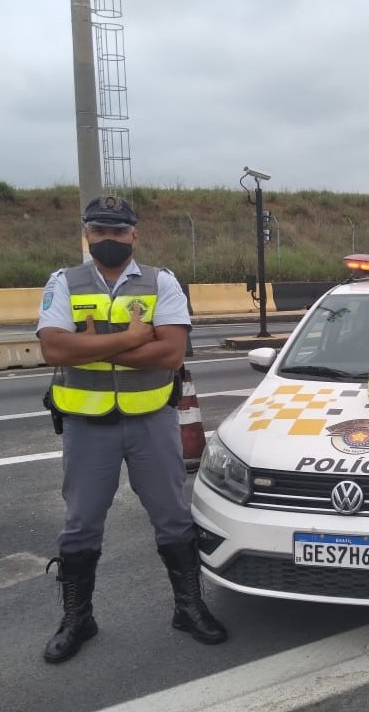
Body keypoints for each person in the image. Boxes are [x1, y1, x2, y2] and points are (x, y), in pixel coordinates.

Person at [37, 194, 227, 664]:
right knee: (80, 525)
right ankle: (78, 618)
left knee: (173, 518)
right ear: (87, 234)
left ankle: (188, 606)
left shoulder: (162, 282)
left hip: (151, 423)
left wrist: (94, 345)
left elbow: (170, 355)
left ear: (134, 235)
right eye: (99, 231)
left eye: (118, 232)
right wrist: (134, 337)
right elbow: (55, 350)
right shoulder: (65, 281)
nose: (109, 239)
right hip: (87, 425)